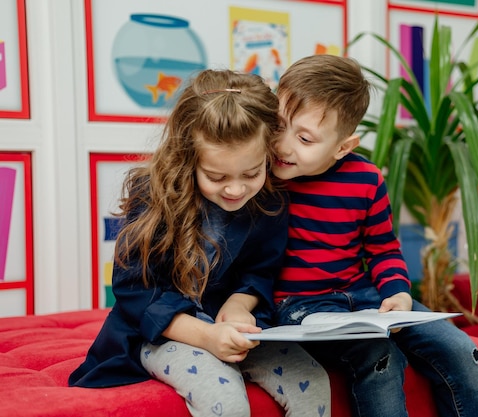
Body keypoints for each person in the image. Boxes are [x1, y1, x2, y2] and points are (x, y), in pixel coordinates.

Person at [69, 69, 330, 417]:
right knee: (228, 402)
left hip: (237, 330)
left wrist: (239, 305)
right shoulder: (153, 196)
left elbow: (261, 269)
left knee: (312, 383)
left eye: (251, 173)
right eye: (216, 176)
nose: (236, 189)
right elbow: (134, 290)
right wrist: (205, 337)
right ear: (187, 157)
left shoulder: (270, 202)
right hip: (164, 333)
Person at [271, 54, 478, 417]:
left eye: (305, 138)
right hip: (300, 304)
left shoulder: (367, 179)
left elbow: (383, 248)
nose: (283, 145)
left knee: (459, 348)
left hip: (363, 295)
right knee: (379, 356)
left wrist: (398, 292)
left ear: (343, 147)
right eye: (279, 125)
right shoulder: (259, 177)